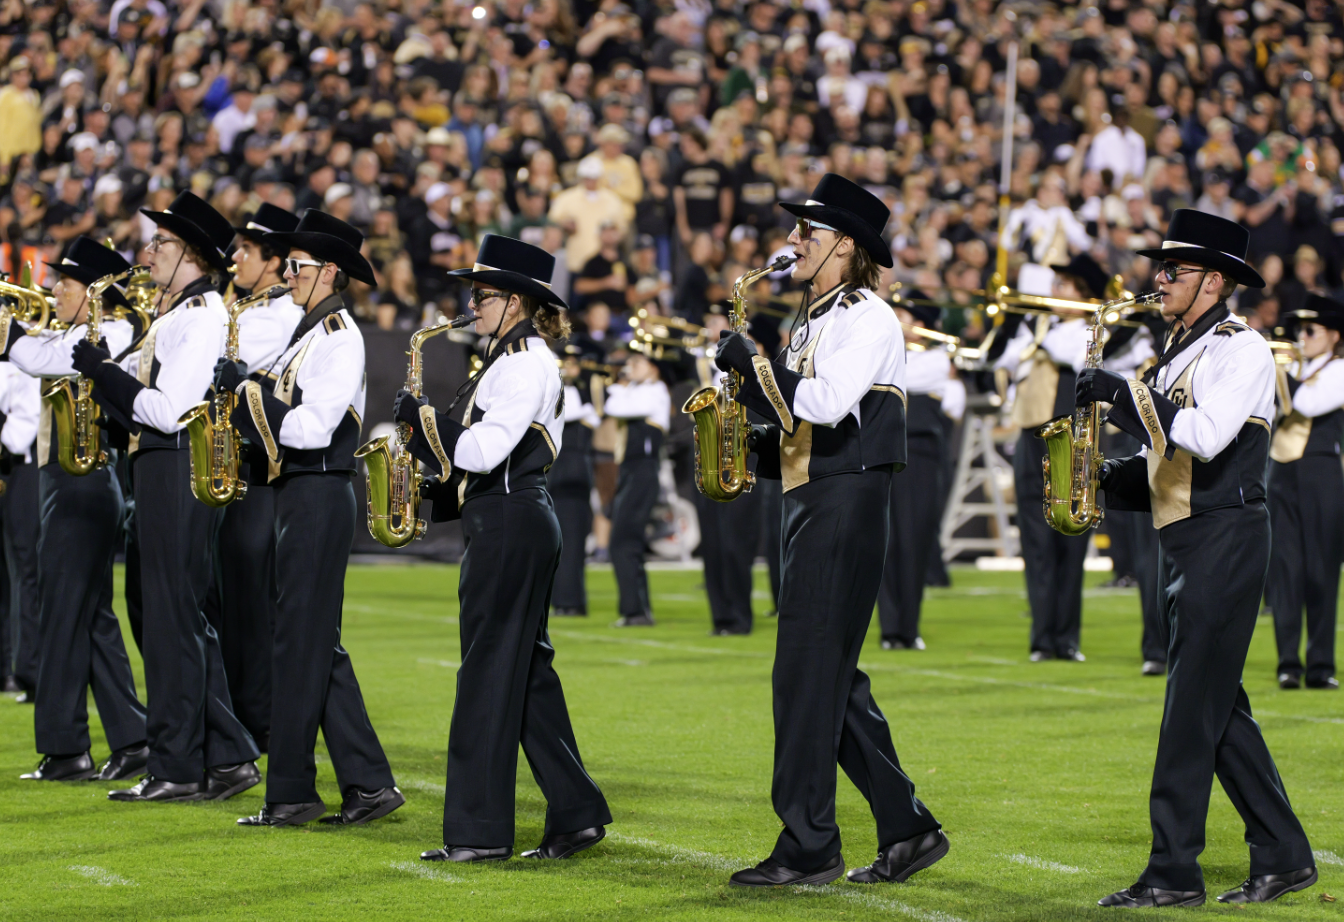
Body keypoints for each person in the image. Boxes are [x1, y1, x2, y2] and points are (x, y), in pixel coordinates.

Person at [711, 174, 946, 888]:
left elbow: (827, 402)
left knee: (806, 677)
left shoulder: (868, 315)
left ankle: (810, 844)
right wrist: (742, 446)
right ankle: (907, 829)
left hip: (847, 503)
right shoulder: (815, 318)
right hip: (814, 498)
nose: (790, 242)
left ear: (845, 247)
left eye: (805, 233)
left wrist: (753, 369)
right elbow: (800, 426)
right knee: (830, 683)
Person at [1078, 210, 1316, 907]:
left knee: (1190, 714)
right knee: (1218, 711)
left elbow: (1206, 441)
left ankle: (1173, 871)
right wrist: (1094, 480)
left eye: (1173, 270)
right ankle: (1284, 852)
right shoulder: (1175, 353)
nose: (1159, 279)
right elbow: (1164, 462)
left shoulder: (1242, 349)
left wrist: (1122, 395)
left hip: (1226, 538)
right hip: (1183, 539)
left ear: (1214, 281)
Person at [393, 233, 612, 863]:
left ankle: (479, 832)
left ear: (515, 303)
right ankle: (576, 812)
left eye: (483, 296)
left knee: (487, 676)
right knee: (526, 676)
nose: (473, 306)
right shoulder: (513, 358)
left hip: (511, 523)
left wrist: (422, 424)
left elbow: (486, 451)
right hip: (511, 519)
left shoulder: (522, 363)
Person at [70, 191, 261, 804]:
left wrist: (104, 375)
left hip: (177, 465)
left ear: (193, 257)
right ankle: (228, 756)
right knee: (177, 617)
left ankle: (177, 766)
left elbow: (171, 411)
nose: (147, 252)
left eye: (160, 244)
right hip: (159, 468)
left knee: (173, 619)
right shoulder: (176, 314)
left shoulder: (201, 315)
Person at [224, 209, 401, 828]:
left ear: (329, 272)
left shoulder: (340, 337)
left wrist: (250, 401)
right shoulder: (306, 332)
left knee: (300, 644)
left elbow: (312, 426)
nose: (289, 275)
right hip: (298, 494)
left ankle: (293, 792)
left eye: (297, 266)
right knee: (311, 643)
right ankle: (369, 783)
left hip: (321, 492)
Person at [5, 238, 147, 782]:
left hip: (83, 481)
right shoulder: (71, 331)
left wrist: (9, 328)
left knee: (61, 614)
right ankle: (132, 738)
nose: (54, 289)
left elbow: (40, 358)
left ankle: (66, 749)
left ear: (93, 292)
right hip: (65, 482)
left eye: (66, 281)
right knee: (89, 617)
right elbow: (37, 354)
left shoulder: (109, 331)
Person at [203, 203, 304, 751]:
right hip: (234, 469)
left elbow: (254, 379)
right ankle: (241, 711)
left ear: (273, 261)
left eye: (245, 250)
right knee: (232, 599)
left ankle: (261, 719)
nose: (234, 258)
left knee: (254, 601)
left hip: (263, 474)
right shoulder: (242, 306)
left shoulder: (282, 314)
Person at [993, 254, 1102, 662]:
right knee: (1035, 541)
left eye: (1063, 287)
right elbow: (999, 361)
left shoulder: (1086, 331)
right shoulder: (1036, 327)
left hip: (1070, 440)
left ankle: (1066, 637)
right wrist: (1013, 328)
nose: (1053, 293)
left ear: (1082, 295)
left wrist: (1034, 335)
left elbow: (1071, 360)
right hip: (1030, 437)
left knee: (1069, 541)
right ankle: (1042, 637)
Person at [878, 293, 965, 650]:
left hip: (921, 456)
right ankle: (889, 628)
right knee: (886, 540)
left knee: (915, 541)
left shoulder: (936, 358)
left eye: (906, 316)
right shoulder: (886, 354)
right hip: (884, 452)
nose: (899, 322)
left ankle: (908, 627)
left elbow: (927, 384)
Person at [1267, 295, 1344, 691]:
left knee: (1321, 571)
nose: (1301, 337)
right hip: (1280, 472)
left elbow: (1308, 403)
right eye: (1298, 330)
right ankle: (1287, 664)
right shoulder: (1291, 367)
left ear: (1333, 336)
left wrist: (1280, 370)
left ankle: (1319, 664)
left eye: (1310, 330)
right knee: (1285, 570)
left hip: (1322, 475)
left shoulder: (1340, 370)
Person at [603, 345, 673, 627]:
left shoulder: (655, 391)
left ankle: (636, 611)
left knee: (623, 539)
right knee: (625, 540)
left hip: (643, 471)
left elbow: (613, 407)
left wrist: (620, 387)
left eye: (638, 362)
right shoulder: (637, 390)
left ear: (653, 368)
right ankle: (636, 609)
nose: (631, 367)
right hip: (631, 471)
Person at [549, 343, 603, 617]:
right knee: (555, 542)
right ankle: (560, 600)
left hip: (575, 475)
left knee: (572, 541)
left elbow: (582, 413)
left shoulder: (586, 394)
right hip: (555, 474)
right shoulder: (553, 393)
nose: (568, 367)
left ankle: (572, 601)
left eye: (573, 362)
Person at [0, 361, 40, 704]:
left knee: (24, 573)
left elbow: (17, 436)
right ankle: (12, 668)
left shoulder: (23, 365)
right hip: (12, 472)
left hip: (21, 473)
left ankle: (29, 669)